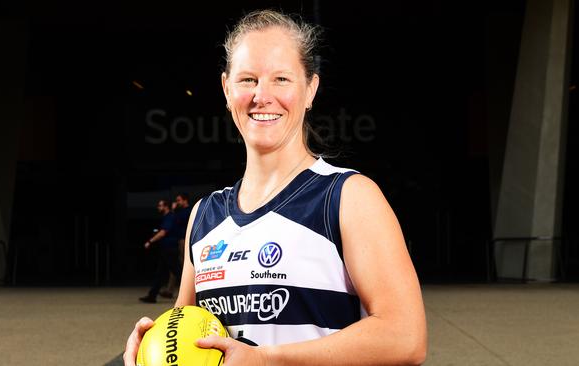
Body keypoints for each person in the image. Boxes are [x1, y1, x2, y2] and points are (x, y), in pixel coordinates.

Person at [125, 9, 427, 365]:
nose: (262, 96)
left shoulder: (347, 197)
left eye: (281, 79)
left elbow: (406, 336)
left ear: (310, 89)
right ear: (226, 88)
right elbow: (186, 335)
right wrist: (153, 352)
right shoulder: (203, 216)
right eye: (248, 79)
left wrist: (268, 359)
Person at [138, 199, 182, 303]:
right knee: (161, 273)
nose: (158, 207)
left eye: (160, 205)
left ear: (166, 206)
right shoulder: (167, 217)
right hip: (166, 249)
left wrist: (150, 241)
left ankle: (195, 291)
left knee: (178, 271)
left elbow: (163, 232)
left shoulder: (170, 217)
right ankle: (152, 296)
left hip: (170, 249)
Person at [160, 193, 192, 298]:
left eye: (179, 200)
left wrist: (173, 211)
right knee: (174, 266)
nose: (177, 202)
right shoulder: (181, 211)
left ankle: (188, 292)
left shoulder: (187, 211)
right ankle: (170, 290)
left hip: (184, 241)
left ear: (184, 200)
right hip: (179, 241)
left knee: (182, 267)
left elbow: (176, 221)